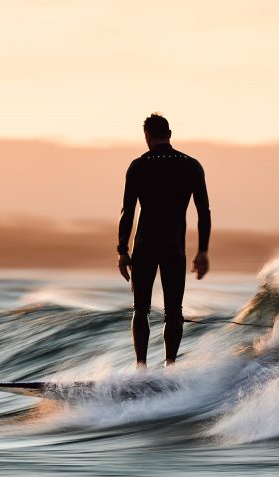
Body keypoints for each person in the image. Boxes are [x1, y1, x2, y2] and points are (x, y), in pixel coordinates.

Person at [117, 113, 211, 369]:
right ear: (169, 134)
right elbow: (204, 212)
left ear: (147, 136)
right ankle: (170, 366)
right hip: (174, 247)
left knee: (140, 309)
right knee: (174, 311)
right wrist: (203, 251)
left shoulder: (138, 166)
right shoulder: (191, 165)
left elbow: (128, 212)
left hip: (145, 245)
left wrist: (122, 250)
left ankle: (141, 367)